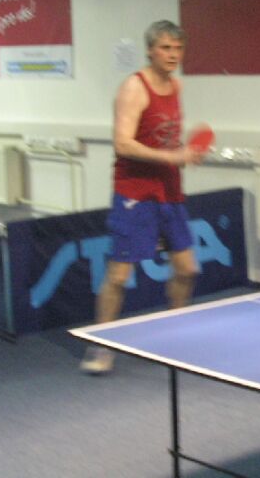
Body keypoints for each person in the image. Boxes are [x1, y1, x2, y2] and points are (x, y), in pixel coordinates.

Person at [81, 20, 206, 374]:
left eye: (178, 48)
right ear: (150, 50)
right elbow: (123, 144)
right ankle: (101, 345)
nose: (173, 55)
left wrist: (183, 155)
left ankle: (175, 332)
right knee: (119, 276)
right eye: (165, 48)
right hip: (134, 192)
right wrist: (172, 156)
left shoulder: (176, 85)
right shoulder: (133, 88)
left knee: (187, 270)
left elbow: (166, 138)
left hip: (169, 190)